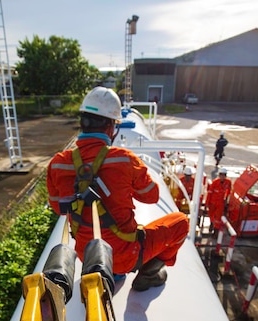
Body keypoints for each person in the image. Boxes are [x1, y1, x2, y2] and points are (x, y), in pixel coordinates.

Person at [47, 87, 189, 292]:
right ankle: (148, 275)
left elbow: (59, 209)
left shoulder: (58, 164)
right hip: (125, 256)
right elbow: (152, 196)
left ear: (82, 122)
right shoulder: (125, 159)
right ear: (110, 127)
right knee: (181, 223)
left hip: (88, 256)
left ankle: (111, 272)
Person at [206, 167, 232, 232]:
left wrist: (226, 199)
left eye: (224, 175)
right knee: (211, 215)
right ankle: (211, 224)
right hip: (212, 202)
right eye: (221, 175)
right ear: (219, 175)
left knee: (218, 217)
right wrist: (207, 203)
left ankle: (216, 230)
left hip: (220, 203)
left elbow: (229, 190)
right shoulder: (215, 182)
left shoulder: (228, 182)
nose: (222, 177)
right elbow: (210, 193)